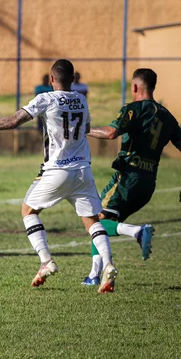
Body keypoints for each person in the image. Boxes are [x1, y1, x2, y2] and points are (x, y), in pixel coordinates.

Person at [0, 59, 118, 294]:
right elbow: (85, 130)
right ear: (73, 80)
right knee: (92, 221)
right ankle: (109, 264)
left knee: (28, 211)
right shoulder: (81, 99)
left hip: (57, 170)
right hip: (83, 170)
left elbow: (13, 121)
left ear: (51, 79)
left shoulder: (46, 98)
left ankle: (46, 261)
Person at [81, 68, 181, 286]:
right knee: (103, 219)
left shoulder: (134, 109)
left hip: (127, 178)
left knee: (94, 221)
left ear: (135, 87)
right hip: (148, 183)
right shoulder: (168, 117)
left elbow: (110, 133)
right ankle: (94, 275)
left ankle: (137, 231)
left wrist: (81, 128)